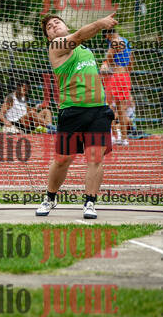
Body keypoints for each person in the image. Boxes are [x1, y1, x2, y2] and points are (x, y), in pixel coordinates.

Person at [36, 13, 117, 219]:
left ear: (66, 26)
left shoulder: (84, 49)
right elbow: (80, 35)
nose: (54, 26)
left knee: (95, 158)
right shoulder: (56, 46)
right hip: (72, 110)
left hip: (98, 110)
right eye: (49, 27)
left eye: (57, 22)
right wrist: (100, 23)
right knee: (63, 159)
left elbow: (81, 40)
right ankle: (50, 197)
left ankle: (90, 202)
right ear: (49, 37)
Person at [100, 29, 133, 146]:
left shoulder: (115, 42)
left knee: (109, 106)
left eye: (107, 38)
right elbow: (131, 61)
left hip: (117, 76)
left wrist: (111, 66)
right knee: (121, 109)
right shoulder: (126, 41)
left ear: (108, 35)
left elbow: (109, 58)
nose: (108, 40)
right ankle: (123, 138)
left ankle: (112, 136)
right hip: (125, 76)